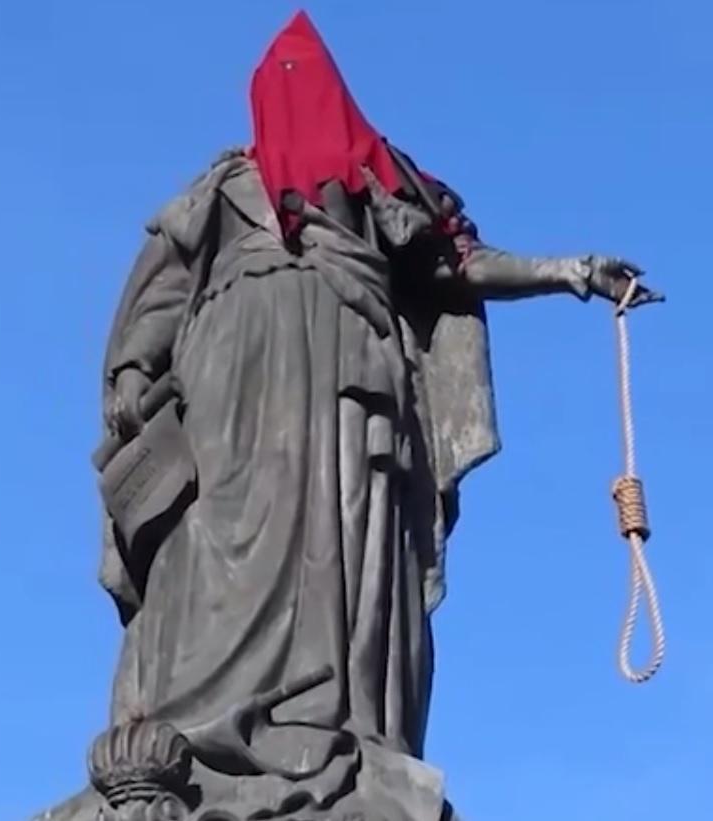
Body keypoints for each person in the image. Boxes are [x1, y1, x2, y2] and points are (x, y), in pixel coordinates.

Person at [93, 10, 662, 821]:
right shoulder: (222, 189)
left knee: (342, 542)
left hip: (347, 383)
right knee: (217, 541)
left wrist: (570, 271)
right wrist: (131, 368)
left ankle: (333, 718)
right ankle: (202, 722)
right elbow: (162, 287)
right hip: (233, 388)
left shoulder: (377, 183)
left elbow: (456, 264)